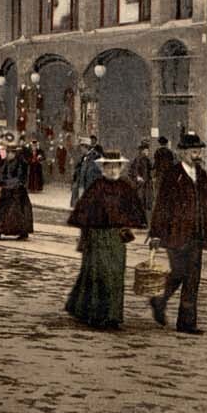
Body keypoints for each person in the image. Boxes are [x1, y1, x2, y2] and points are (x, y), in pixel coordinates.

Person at [147, 131, 207, 335]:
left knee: (193, 278)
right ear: (182, 153)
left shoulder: (201, 175)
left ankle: (186, 323)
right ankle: (160, 299)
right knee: (181, 272)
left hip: (197, 235)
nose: (197, 154)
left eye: (199, 151)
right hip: (175, 234)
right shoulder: (173, 175)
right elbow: (162, 205)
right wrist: (155, 234)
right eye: (193, 151)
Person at [65, 150, 147, 329]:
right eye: (109, 166)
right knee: (99, 275)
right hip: (98, 237)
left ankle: (113, 316)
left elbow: (135, 211)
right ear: (103, 168)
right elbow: (84, 211)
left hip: (117, 238)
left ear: (120, 167)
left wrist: (128, 224)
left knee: (116, 276)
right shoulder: (96, 187)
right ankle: (96, 315)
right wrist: (85, 237)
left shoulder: (125, 187)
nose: (112, 170)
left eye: (116, 166)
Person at [0, 137, 34, 241]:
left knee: (15, 212)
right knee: (2, 212)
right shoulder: (5, 163)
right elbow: (0, 174)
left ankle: (21, 231)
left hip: (17, 192)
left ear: (14, 154)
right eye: (7, 153)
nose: (8, 155)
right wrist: (1, 181)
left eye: (10, 153)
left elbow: (20, 178)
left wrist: (8, 183)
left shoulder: (20, 163)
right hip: (7, 191)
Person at [70, 139, 103, 206]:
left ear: (86, 147)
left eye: (81, 147)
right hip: (81, 185)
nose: (81, 149)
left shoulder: (95, 156)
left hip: (88, 186)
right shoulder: (84, 157)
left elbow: (94, 173)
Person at [128, 140, 154, 215]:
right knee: (140, 200)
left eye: (147, 150)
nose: (147, 152)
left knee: (148, 202)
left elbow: (151, 169)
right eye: (145, 150)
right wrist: (137, 177)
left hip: (147, 184)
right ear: (142, 151)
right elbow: (132, 171)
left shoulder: (148, 160)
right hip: (140, 184)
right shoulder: (138, 159)